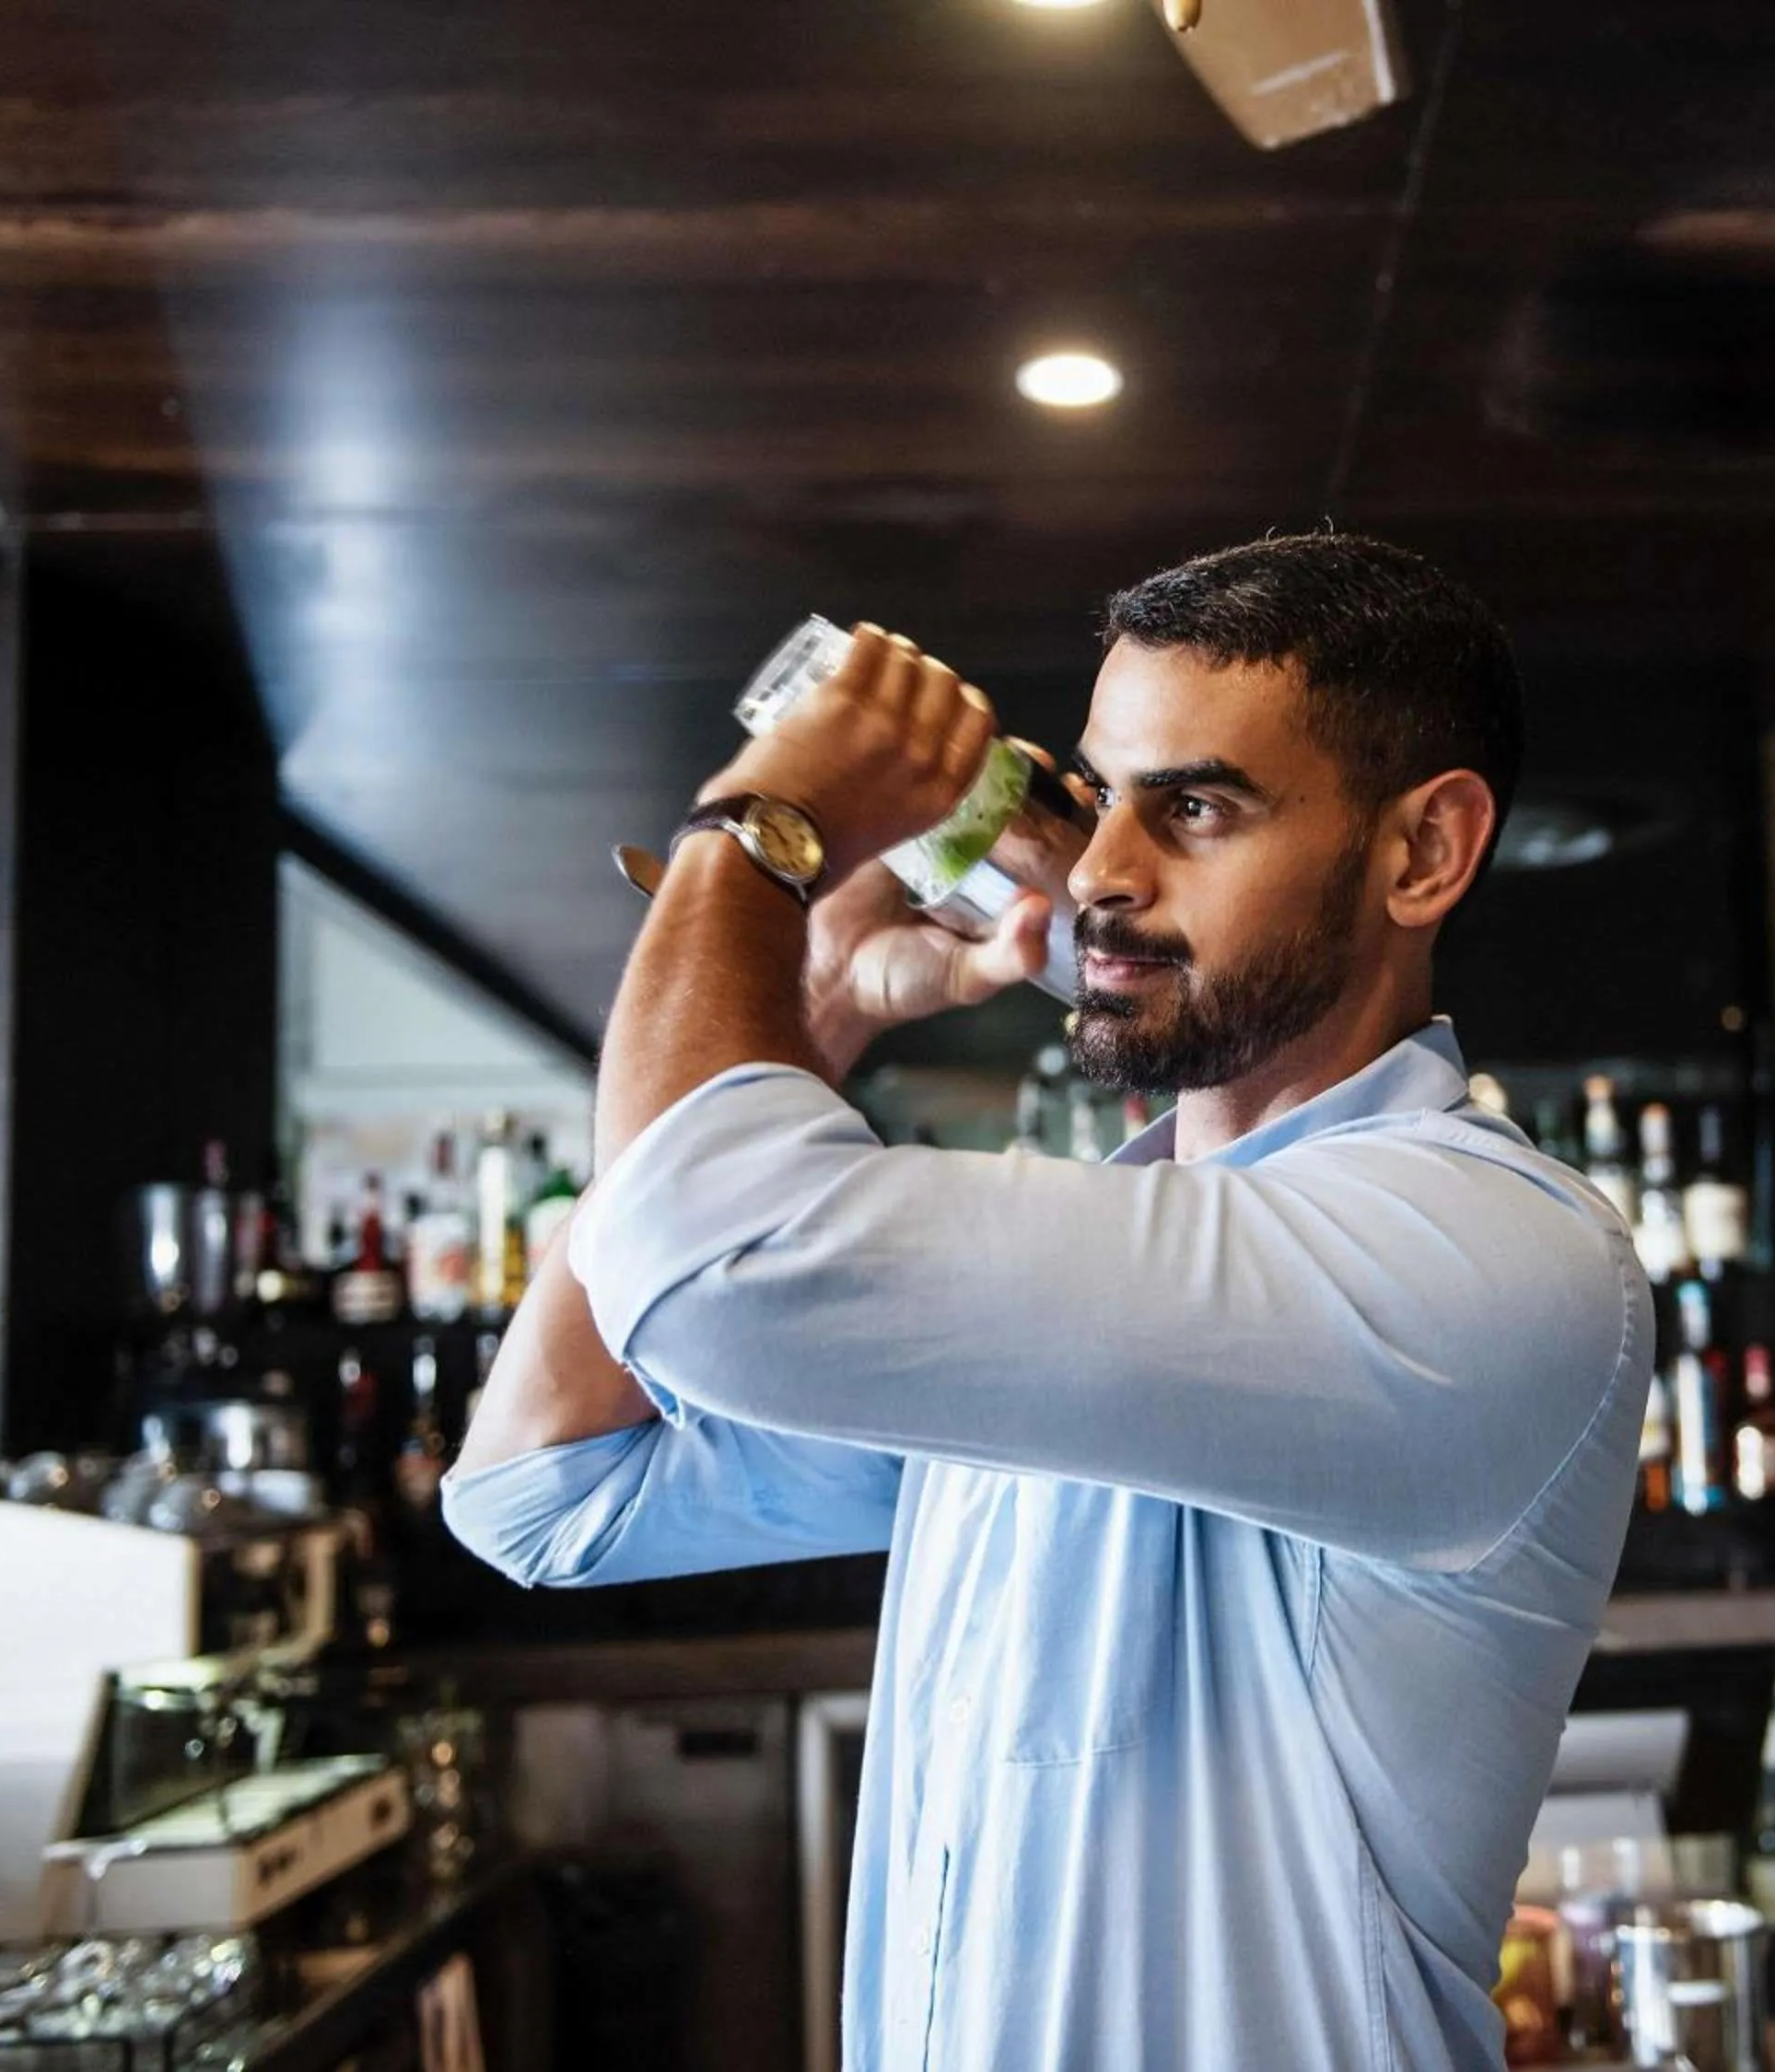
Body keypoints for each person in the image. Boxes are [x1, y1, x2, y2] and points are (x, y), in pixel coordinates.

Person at [444, 532, 1649, 2070]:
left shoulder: (1483, 1254)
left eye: (1197, 807)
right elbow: (552, 1487)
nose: (1099, 876)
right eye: (1101, 799)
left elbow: (711, 1262)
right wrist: (808, 1001)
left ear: (1425, 853)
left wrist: (760, 830)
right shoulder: (1101, 1283)